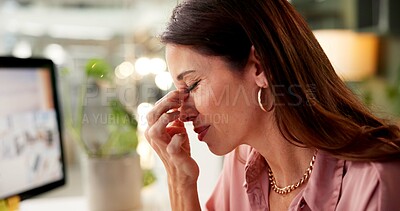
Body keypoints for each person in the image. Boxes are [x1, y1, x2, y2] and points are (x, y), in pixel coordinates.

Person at [144, 0, 400, 210]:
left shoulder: (375, 182)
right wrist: (181, 182)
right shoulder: (242, 164)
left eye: (192, 85)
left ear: (259, 67)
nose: (183, 112)